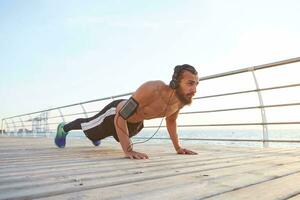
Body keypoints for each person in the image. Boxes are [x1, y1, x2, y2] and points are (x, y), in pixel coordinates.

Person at [55, 64, 199, 159]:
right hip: (114, 115)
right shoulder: (153, 89)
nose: (194, 89)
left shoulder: (180, 100)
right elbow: (121, 115)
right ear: (175, 82)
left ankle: (98, 134)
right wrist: (128, 150)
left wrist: (178, 148)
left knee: (103, 133)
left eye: (196, 84)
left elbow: (171, 121)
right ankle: (64, 128)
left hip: (134, 125)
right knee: (90, 127)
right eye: (190, 83)